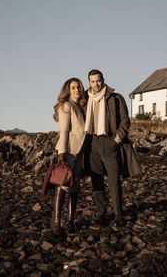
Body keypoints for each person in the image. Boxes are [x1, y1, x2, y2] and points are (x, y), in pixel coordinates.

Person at [84, 69, 131, 227]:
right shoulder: (85, 98)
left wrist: (117, 139)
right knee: (96, 180)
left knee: (114, 180)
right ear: (88, 82)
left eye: (98, 80)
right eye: (92, 81)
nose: (96, 84)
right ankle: (101, 213)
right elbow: (69, 109)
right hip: (92, 143)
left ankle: (119, 215)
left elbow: (125, 120)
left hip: (110, 142)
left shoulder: (115, 98)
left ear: (103, 80)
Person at [42, 77, 86, 235]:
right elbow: (64, 132)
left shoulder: (79, 106)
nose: (77, 90)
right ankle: (55, 223)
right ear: (68, 90)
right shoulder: (66, 106)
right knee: (63, 186)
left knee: (75, 188)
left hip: (79, 152)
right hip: (69, 152)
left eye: (79, 87)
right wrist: (61, 155)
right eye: (73, 87)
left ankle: (71, 221)